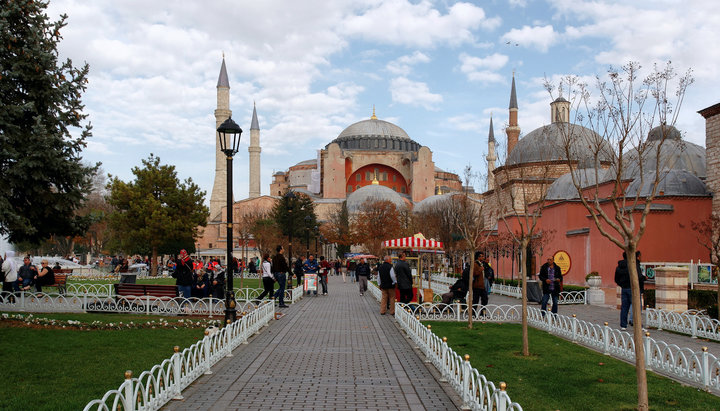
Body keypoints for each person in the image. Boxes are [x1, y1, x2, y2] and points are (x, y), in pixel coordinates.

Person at [614, 252, 633, 330]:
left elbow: (616, 279)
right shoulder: (631, 266)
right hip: (631, 288)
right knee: (635, 306)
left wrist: (621, 284)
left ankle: (623, 325)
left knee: (624, 307)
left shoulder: (618, 267)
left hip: (624, 288)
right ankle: (634, 321)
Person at [629, 251, 645, 326]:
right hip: (636, 287)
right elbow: (638, 276)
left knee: (632, 304)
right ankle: (634, 320)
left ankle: (632, 319)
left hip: (629, 286)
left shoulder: (631, 264)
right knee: (637, 305)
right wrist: (644, 278)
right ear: (638, 256)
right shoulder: (636, 264)